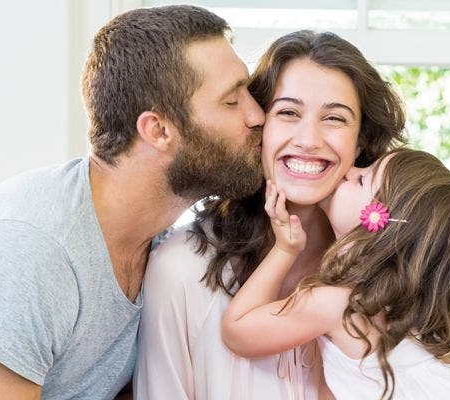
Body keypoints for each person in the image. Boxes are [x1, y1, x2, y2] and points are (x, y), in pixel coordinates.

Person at [0, 5, 265, 399]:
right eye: (232, 101)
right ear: (157, 130)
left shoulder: (157, 240)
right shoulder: (32, 251)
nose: (257, 115)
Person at [135, 30, 406, 399]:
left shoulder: (396, 272)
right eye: (288, 113)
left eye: (335, 119)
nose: (309, 139)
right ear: (258, 126)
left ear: (360, 140)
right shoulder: (181, 269)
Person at [222, 148, 450, 400]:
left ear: (380, 224)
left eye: (362, 179)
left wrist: (285, 249)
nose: (349, 171)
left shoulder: (337, 303)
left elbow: (237, 331)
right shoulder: (404, 316)